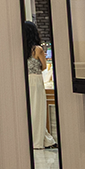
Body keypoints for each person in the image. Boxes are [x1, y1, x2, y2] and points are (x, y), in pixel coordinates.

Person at [25, 19, 56, 149]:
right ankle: (38, 140)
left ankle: (41, 138)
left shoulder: (22, 49)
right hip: (36, 81)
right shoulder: (37, 49)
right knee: (38, 109)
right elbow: (44, 66)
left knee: (30, 110)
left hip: (26, 80)